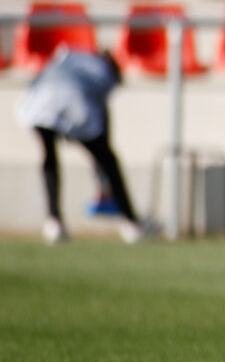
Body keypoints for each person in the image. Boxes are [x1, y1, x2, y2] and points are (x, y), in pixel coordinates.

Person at [15, 46, 146, 244]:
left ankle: (54, 221)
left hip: (38, 102)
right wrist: (101, 170)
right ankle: (131, 223)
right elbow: (102, 121)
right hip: (74, 107)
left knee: (49, 157)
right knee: (109, 160)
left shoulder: (68, 56)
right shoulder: (104, 73)